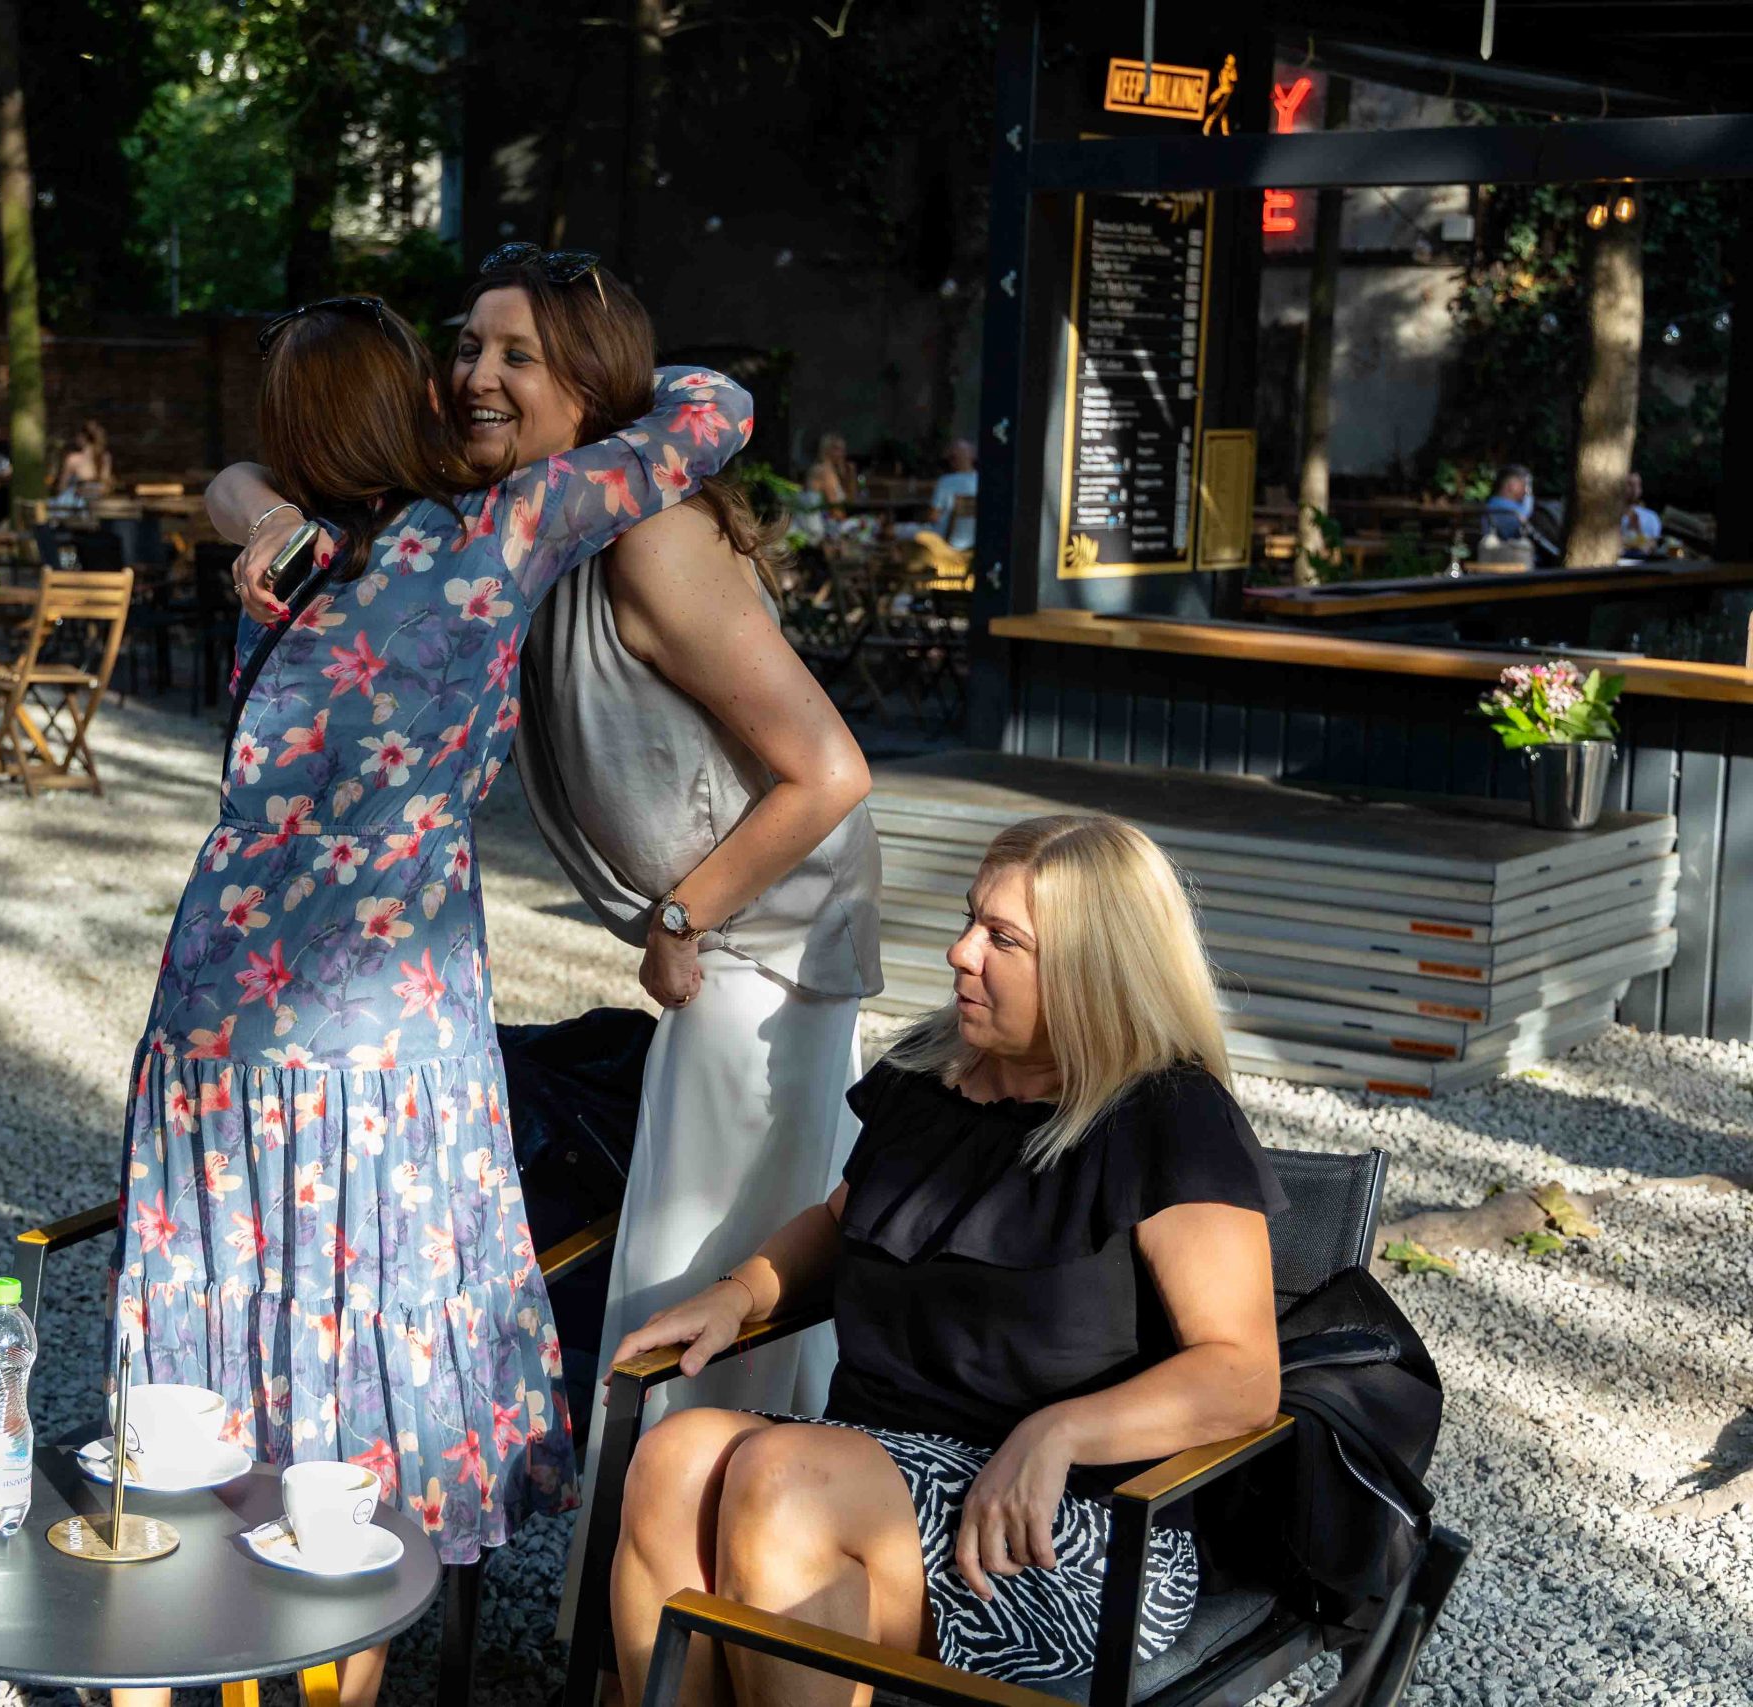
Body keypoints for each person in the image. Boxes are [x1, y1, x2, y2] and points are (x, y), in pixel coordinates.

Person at [115, 294, 752, 1706]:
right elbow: (718, 407)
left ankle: (187, 1645)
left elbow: (230, 484)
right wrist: (579, 372)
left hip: (214, 1002)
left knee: (229, 1330)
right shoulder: (498, 529)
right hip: (381, 1020)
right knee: (369, 1358)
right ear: (405, 402)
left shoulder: (286, 562)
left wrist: (255, 501)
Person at [430, 247, 880, 1629]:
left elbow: (829, 769)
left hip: (760, 972)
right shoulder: (547, 522)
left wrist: (684, 917)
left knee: (695, 1316)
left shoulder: (648, 534)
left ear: (590, 387)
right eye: (469, 345)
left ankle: (691, 1637)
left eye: (517, 354)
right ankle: (674, 1631)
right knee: (685, 1310)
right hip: (728, 965)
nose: (477, 374)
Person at [606, 813, 1286, 1706]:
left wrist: (1057, 1431)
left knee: (782, 1481)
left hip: (1060, 1526)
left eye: (1004, 938)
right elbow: (841, 1224)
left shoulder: (1169, 1117)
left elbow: (1242, 1377)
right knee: (672, 1460)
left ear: (1094, 966)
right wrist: (740, 1292)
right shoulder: (931, 1075)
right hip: (865, 1467)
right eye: (971, 920)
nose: (961, 953)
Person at [930, 437, 979, 551]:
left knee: (898, 530)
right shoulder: (983, 481)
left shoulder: (945, 481)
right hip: (974, 542)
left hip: (947, 541)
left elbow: (933, 516)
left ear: (952, 460)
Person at [57, 418, 113, 501]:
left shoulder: (73, 459)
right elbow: (106, 487)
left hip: (79, 501)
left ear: (82, 438)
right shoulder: (105, 457)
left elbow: (62, 486)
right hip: (95, 500)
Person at [804, 432, 856, 507]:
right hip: (822, 514)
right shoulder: (824, 472)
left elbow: (850, 500)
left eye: (843, 450)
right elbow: (834, 508)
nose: (843, 454)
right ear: (827, 450)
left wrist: (851, 475)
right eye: (838, 450)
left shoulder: (831, 471)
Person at [1619, 470, 1663, 556]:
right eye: (1630, 485)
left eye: (1638, 485)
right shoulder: (1607, 517)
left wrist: (1638, 533)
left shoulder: (1651, 518)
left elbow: (1654, 547)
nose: (1635, 489)